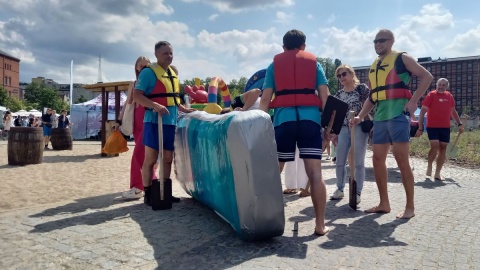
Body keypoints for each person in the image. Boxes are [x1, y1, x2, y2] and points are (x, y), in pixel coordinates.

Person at [351, 29, 433, 219]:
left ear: (391, 41)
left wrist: (414, 101)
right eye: (375, 41)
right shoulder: (374, 65)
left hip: (397, 115)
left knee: (401, 159)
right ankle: (384, 203)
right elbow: (373, 96)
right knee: (377, 159)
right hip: (379, 118)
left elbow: (426, 76)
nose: (378, 44)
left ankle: (410, 207)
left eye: (382, 41)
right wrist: (361, 116)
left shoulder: (401, 58)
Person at [260, 29, 330, 235]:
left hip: (284, 121)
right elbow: (325, 97)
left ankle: (266, 219)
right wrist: (328, 129)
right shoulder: (314, 64)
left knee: (274, 173)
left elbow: (265, 100)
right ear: (304, 47)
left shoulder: (274, 65)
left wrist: (259, 126)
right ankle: (319, 225)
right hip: (310, 121)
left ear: (283, 47)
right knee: (315, 175)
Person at [133, 41, 195, 205]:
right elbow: (137, 96)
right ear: (156, 54)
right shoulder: (148, 73)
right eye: (165, 53)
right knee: (151, 159)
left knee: (168, 158)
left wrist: (183, 109)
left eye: (171, 53)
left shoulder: (172, 74)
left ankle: (164, 190)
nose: (169, 56)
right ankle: (148, 193)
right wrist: (154, 105)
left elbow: (172, 98)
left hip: (170, 122)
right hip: (154, 121)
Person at [114, 56, 157, 200]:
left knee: (139, 154)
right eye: (141, 66)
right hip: (137, 120)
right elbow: (127, 104)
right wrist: (119, 120)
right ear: (136, 67)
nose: (143, 68)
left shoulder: (152, 81)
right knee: (144, 153)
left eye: (146, 65)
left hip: (148, 117)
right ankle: (150, 183)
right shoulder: (134, 83)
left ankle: (138, 187)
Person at [328, 65, 370, 204]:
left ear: (352, 74)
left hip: (358, 127)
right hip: (344, 129)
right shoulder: (339, 95)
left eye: (344, 74)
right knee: (339, 160)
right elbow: (335, 116)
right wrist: (334, 133)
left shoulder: (361, 89)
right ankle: (340, 189)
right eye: (339, 76)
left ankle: (357, 192)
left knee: (358, 162)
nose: (341, 78)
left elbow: (370, 106)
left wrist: (361, 118)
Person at [415, 78, 463, 180]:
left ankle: (437, 173)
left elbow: (453, 111)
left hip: (445, 127)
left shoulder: (449, 96)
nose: (441, 87)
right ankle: (429, 165)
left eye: (443, 85)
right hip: (432, 126)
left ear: (447, 87)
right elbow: (423, 110)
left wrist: (459, 123)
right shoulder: (431, 95)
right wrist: (420, 125)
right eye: (439, 84)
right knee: (435, 146)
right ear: (437, 85)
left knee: (443, 149)